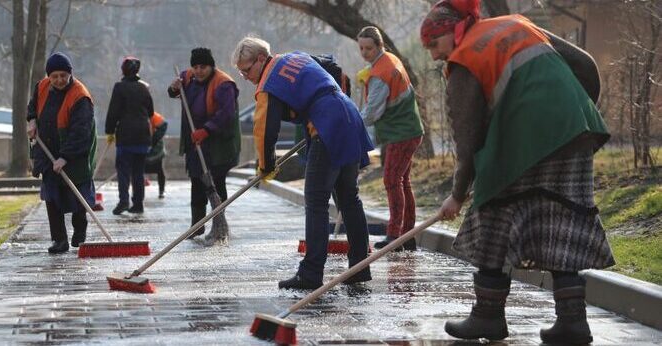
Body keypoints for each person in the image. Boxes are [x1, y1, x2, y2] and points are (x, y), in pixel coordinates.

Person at [421, 1, 613, 344]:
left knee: (492, 217)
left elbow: (467, 142)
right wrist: (572, 112)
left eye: (435, 44)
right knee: (562, 222)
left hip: (529, 141)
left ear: (454, 32)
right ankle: (573, 323)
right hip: (574, 132)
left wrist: (458, 193)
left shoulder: (464, 60)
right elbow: (583, 64)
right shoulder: (514, 24)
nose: (435, 55)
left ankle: (487, 317)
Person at [232, 37, 374, 290]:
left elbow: (265, 130)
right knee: (349, 199)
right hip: (348, 116)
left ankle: (310, 274)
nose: (245, 76)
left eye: (246, 69)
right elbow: (336, 70)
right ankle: (359, 267)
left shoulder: (268, 83)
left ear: (262, 59)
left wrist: (266, 166)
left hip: (327, 126)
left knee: (316, 203)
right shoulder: (297, 56)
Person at [356, 26, 425, 251]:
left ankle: (395, 235)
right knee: (402, 182)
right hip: (410, 129)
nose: (364, 52)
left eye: (368, 48)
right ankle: (408, 234)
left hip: (401, 133)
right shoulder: (389, 60)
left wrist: (350, 122)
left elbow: (371, 113)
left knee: (391, 181)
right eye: (361, 48)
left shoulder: (380, 75)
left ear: (379, 46)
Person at [26, 52, 97, 254]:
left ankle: (80, 229)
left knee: (77, 197)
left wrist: (65, 157)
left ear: (70, 74)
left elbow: (81, 132)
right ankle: (59, 240)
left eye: (63, 76)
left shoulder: (80, 96)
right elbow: (32, 107)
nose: (59, 80)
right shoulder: (41, 86)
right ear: (49, 76)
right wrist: (31, 120)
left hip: (75, 154)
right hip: (47, 149)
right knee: (52, 197)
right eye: (54, 76)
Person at [167, 47, 241, 238]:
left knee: (216, 182)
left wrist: (207, 130)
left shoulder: (224, 84)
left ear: (211, 66)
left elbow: (226, 114)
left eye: (203, 67)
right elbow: (175, 92)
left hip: (218, 142)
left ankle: (219, 224)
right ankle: (197, 225)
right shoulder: (187, 77)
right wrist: (174, 88)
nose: (199, 71)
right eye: (196, 67)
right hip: (194, 140)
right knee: (197, 181)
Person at [105, 56, 154, 215]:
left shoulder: (119, 87)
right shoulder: (144, 88)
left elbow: (113, 111)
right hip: (143, 134)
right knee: (138, 172)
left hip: (126, 135)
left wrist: (109, 131)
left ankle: (124, 201)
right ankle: (138, 203)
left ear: (123, 70)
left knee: (123, 170)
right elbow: (151, 111)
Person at [145, 111, 168, 199]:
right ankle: (138, 194)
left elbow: (163, 124)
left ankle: (161, 190)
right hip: (140, 145)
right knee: (138, 172)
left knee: (160, 170)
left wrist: (153, 141)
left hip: (155, 148)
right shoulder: (131, 114)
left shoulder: (153, 115)